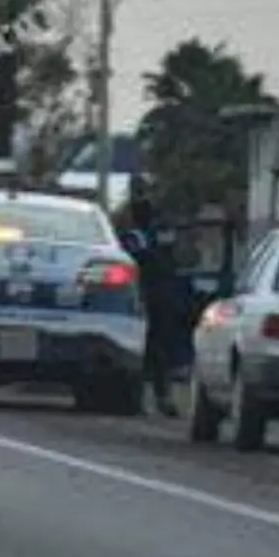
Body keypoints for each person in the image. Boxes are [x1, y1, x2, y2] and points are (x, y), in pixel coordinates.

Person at [122, 178, 180, 417]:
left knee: (157, 350)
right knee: (144, 350)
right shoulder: (133, 237)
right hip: (143, 296)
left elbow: (173, 256)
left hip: (155, 296)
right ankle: (145, 397)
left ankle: (159, 397)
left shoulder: (149, 234)